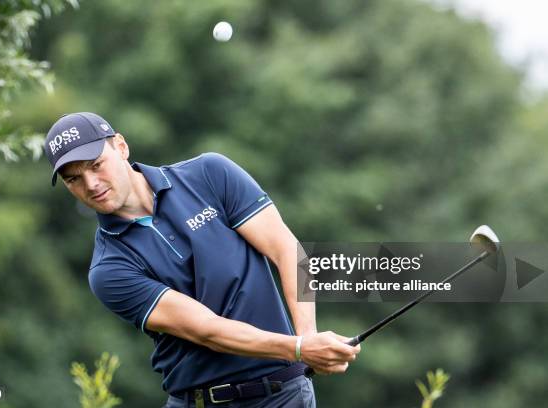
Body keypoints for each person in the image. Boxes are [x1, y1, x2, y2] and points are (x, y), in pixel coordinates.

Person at [44, 112, 360, 407]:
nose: (91, 184)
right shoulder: (108, 269)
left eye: (96, 164)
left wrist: (308, 335)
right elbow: (207, 329)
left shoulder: (209, 174)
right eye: (74, 179)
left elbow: (288, 250)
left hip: (285, 395)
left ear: (121, 147)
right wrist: (299, 348)